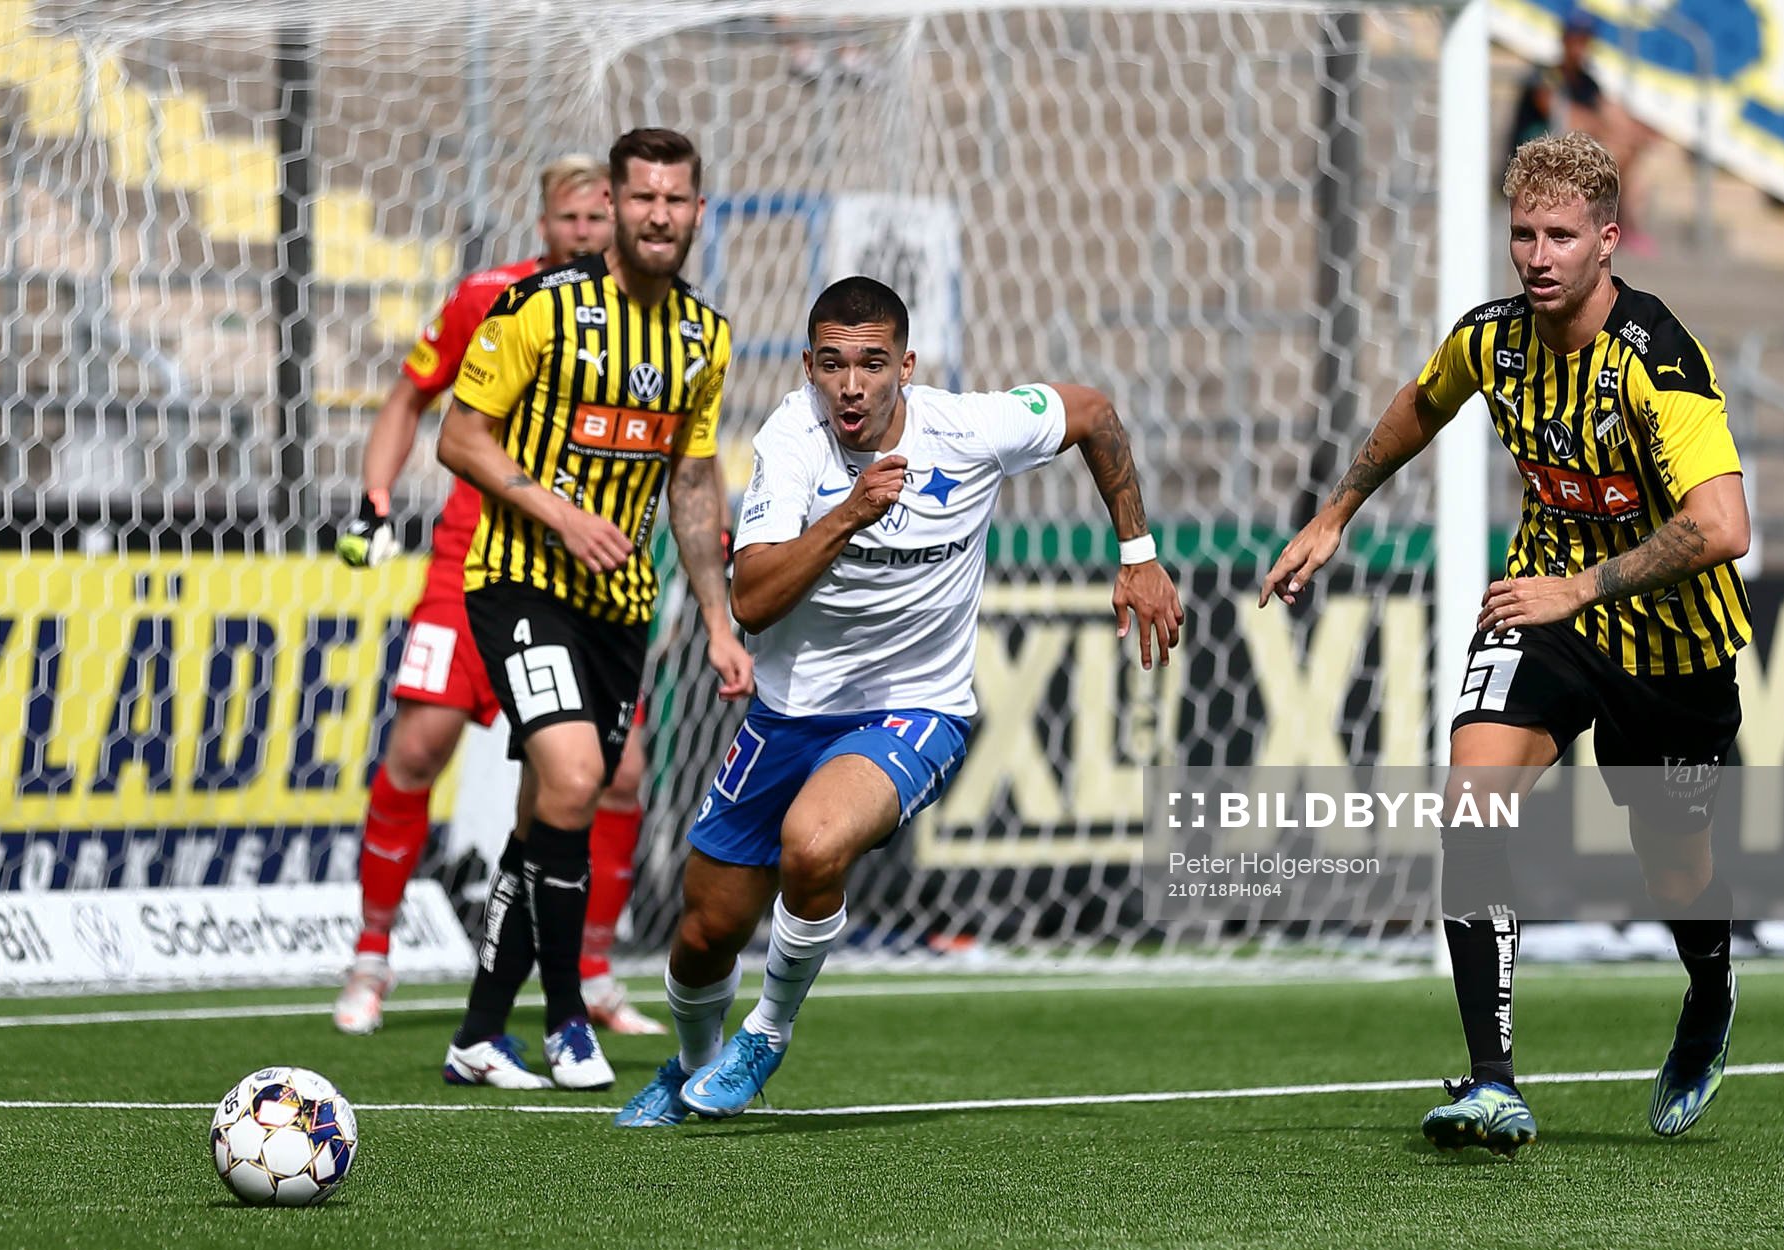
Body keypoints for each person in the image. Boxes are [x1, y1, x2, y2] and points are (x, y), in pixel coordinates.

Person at [1262, 132, 1751, 1155]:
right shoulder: (1494, 340)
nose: (1537, 254)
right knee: (1470, 805)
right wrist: (1336, 511)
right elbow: (1421, 403)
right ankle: (1494, 1085)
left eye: (1561, 235)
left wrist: (1584, 583)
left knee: (1678, 877)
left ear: (1608, 241)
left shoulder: (1657, 360)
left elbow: (1722, 526)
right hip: (1544, 615)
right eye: (1523, 232)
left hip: (1670, 648)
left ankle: (1709, 990)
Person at [613, 275, 1184, 1127]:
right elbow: (754, 599)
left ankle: (767, 1032)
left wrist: (1137, 552)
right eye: (834, 365)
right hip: (788, 711)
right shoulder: (790, 441)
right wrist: (847, 515)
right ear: (808, 366)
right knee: (703, 932)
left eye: (873, 364)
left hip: (918, 707)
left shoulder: (971, 427)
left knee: (814, 844)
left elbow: (1095, 412)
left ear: (905, 366)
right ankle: (697, 1070)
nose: (852, 386)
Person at [434, 127, 754, 1090]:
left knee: (549, 810)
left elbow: (693, 484)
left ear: (698, 212)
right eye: (643, 197)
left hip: (623, 605)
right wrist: (560, 514)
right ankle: (570, 1016)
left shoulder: (706, 336)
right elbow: (460, 437)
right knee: (574, 778)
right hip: (520, 580)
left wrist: (716, 616)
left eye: (677, 199)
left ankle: (479, 1034)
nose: (660, 214)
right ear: (612, 205)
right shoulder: (544, 308)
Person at [331, 156, 665, 1039]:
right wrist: (374, 499)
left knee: (618, 772)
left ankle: (592, 970)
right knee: (420, 745)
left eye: (602, 217)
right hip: (470, 561)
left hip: (577, 575)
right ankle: (371, 957)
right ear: (544, 222)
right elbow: (411, 399)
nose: (587, 232)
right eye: (571, 218)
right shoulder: (491, 297)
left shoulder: (649, 320)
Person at [1506, 10, 1657, 247]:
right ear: (1564, 40)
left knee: (1628, 151)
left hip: (1568, 156)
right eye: (1577, 39)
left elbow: (1609, 112)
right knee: (1614, 154)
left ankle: (1620, 223)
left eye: (1586, 40)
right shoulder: (1546, 75)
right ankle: (1613, 222)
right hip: (1535, 158)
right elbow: (1564, 115)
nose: (1581, 47)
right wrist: (1611, 130)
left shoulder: (1587, 81)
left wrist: (1637, 132)